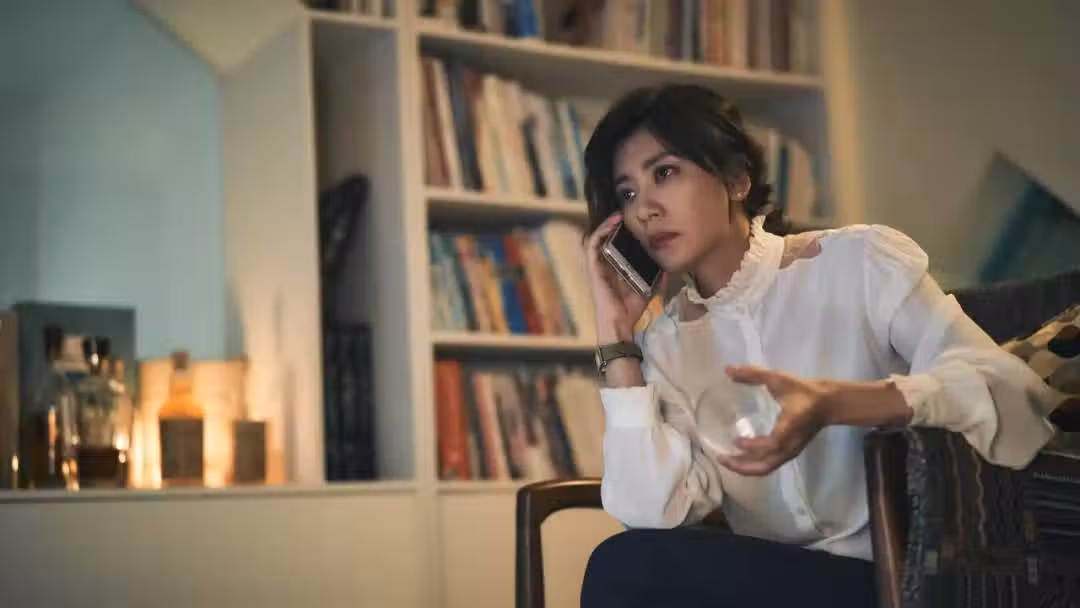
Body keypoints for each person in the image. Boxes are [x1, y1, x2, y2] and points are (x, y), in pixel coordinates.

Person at [578, 83, 1060, 608]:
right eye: (627, 193)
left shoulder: (857, 262)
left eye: (664, 173)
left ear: (736, 179)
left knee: (623, 567)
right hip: (770, 583)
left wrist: (838, 402)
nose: (645, 210)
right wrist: (617, 339)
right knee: (626, 561)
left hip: (898, 577)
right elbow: (650, 513)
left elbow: (1011, 393)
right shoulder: (667, 345)